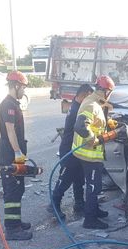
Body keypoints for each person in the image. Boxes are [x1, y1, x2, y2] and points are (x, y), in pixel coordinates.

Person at [72, 75, 117, 229]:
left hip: (90, 154)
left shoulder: (95, 101)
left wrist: (109, 124)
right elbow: (80, 126)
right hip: (88, 154)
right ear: (106, 91)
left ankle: (94, 210)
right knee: (93, 187)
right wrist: (95, 140)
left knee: (95, 185)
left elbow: (95, 122)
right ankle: (89, 220)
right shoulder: (92, 104)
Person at [50, 84, 94, 219]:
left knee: (79, 178)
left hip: (76, 149)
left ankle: (79, 203)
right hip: (69, 150)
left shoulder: (76, 106)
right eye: (90, 96)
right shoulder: (77, 110)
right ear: (85, 94)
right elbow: (82, 128)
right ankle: (54, 205)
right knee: (66, 179)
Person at [0, 71, 32, 240]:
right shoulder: (8, 105)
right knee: (12, 190)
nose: (24, 91)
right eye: (23, 87)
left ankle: (16, 222)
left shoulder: (13, 103)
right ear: (16, 85)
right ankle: (12, 229)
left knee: (18, 188)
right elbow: (10, 130)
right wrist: (17, 152)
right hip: (9, 151)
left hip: (14, 150)